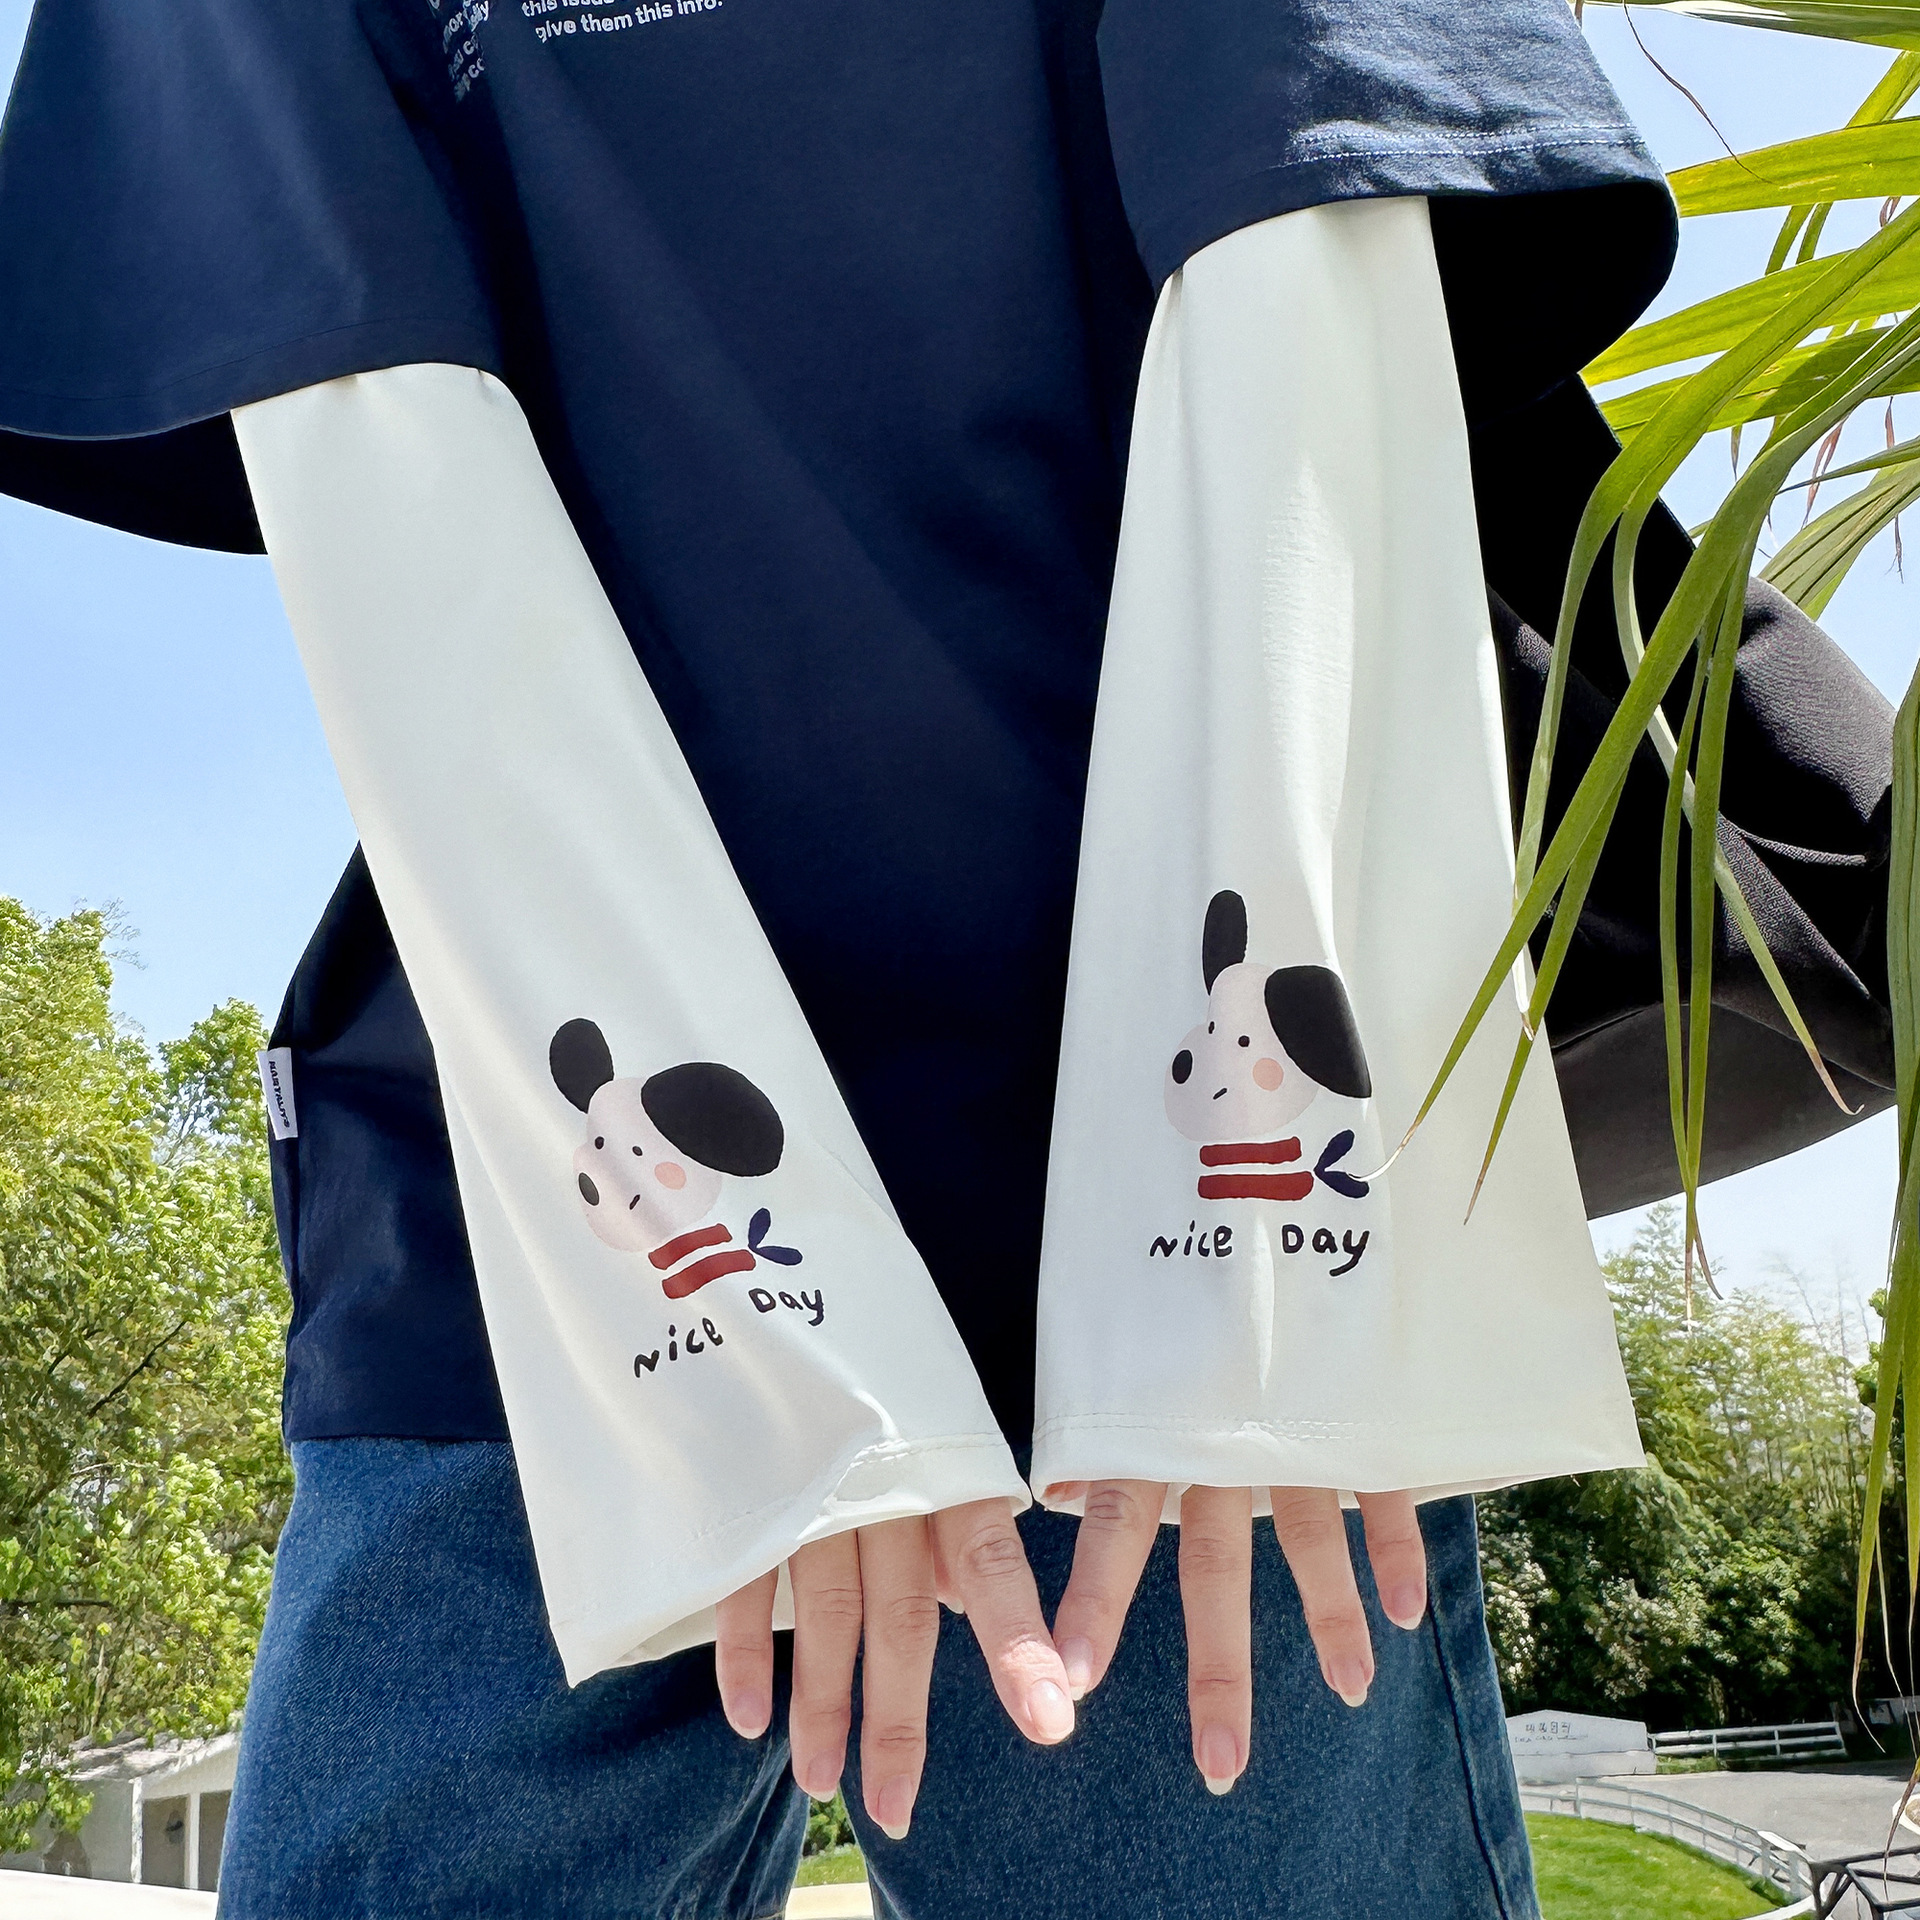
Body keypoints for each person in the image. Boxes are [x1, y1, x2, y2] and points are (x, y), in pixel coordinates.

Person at [0, 2, 1893, 1915]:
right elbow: (366, 442)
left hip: (1149, 1266)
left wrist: (1237, 1245)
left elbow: (1318, 247)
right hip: (556, 1235)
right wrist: (760, 1326)